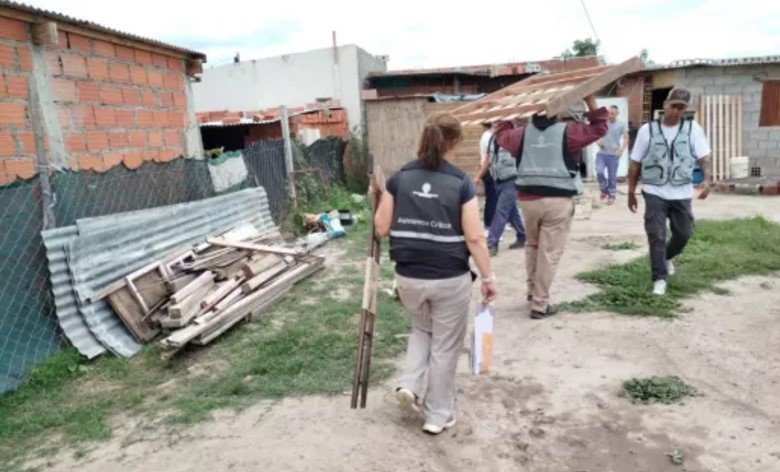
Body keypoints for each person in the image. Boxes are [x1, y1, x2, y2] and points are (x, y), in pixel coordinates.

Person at [375, 112, 498, 435]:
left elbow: (381, 227)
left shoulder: (400, 178)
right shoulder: (460, 183)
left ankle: (409, 384)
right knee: (445, 346)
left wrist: (381, 198)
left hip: (409, 278)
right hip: (449, 279)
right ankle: (437, 415)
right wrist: (488, 278)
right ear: (454, 142)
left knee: (422, 329)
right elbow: (475, 238)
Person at [494, 96, 607, 319]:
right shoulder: (570, 132)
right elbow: (600, 128)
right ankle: (540, 303)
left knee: (533, 246)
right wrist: (589, 99)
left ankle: (532, 292)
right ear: (556, 111)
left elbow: (501, 134)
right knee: (549, 252)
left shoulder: (520, 135)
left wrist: (510, 109)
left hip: (528, 201)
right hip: (557, 201)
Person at [627, 87, 711, 296]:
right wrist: (630, 192)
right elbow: (635, 163)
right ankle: (659, 279)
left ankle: (666, 257)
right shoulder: (647, 130)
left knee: (684, 233)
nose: (676, 111)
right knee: (656, 234)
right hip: (654, 190)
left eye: (681, 108)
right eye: (674, 106)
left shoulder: (693, 129)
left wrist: (707, 180)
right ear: (665, 105)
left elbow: (704, 158)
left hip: (681, 192)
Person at [482, 128, 526, 255]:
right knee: (511, 211)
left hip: (511, 180)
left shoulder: (515, 139)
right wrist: (479, 175)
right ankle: (522, 235)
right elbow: (488, 159)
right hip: (497, 180)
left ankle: (492, 243)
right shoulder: (492, 139)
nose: (496, 125)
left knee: (501, 211)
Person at [596, 105, 628, 204]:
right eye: (608, 113)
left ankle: (612, 196)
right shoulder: (603, 123)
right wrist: (598, 141)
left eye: (612, 113)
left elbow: (626, 138)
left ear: (617, 114)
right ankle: (604, 190)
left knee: (612, 177)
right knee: (599, 172)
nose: (609, 115)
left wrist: (621, 151)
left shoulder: (621, 124)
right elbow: (596, 134)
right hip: (602, 154)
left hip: (613, 155)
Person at [474, 122, 498, 229]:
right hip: (489, 170)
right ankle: (489, 223)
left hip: (486, 169)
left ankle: (491, 222)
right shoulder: (489, 137)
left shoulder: (485, 136)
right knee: (492, 198)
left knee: (492, 197)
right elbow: (489, 157)